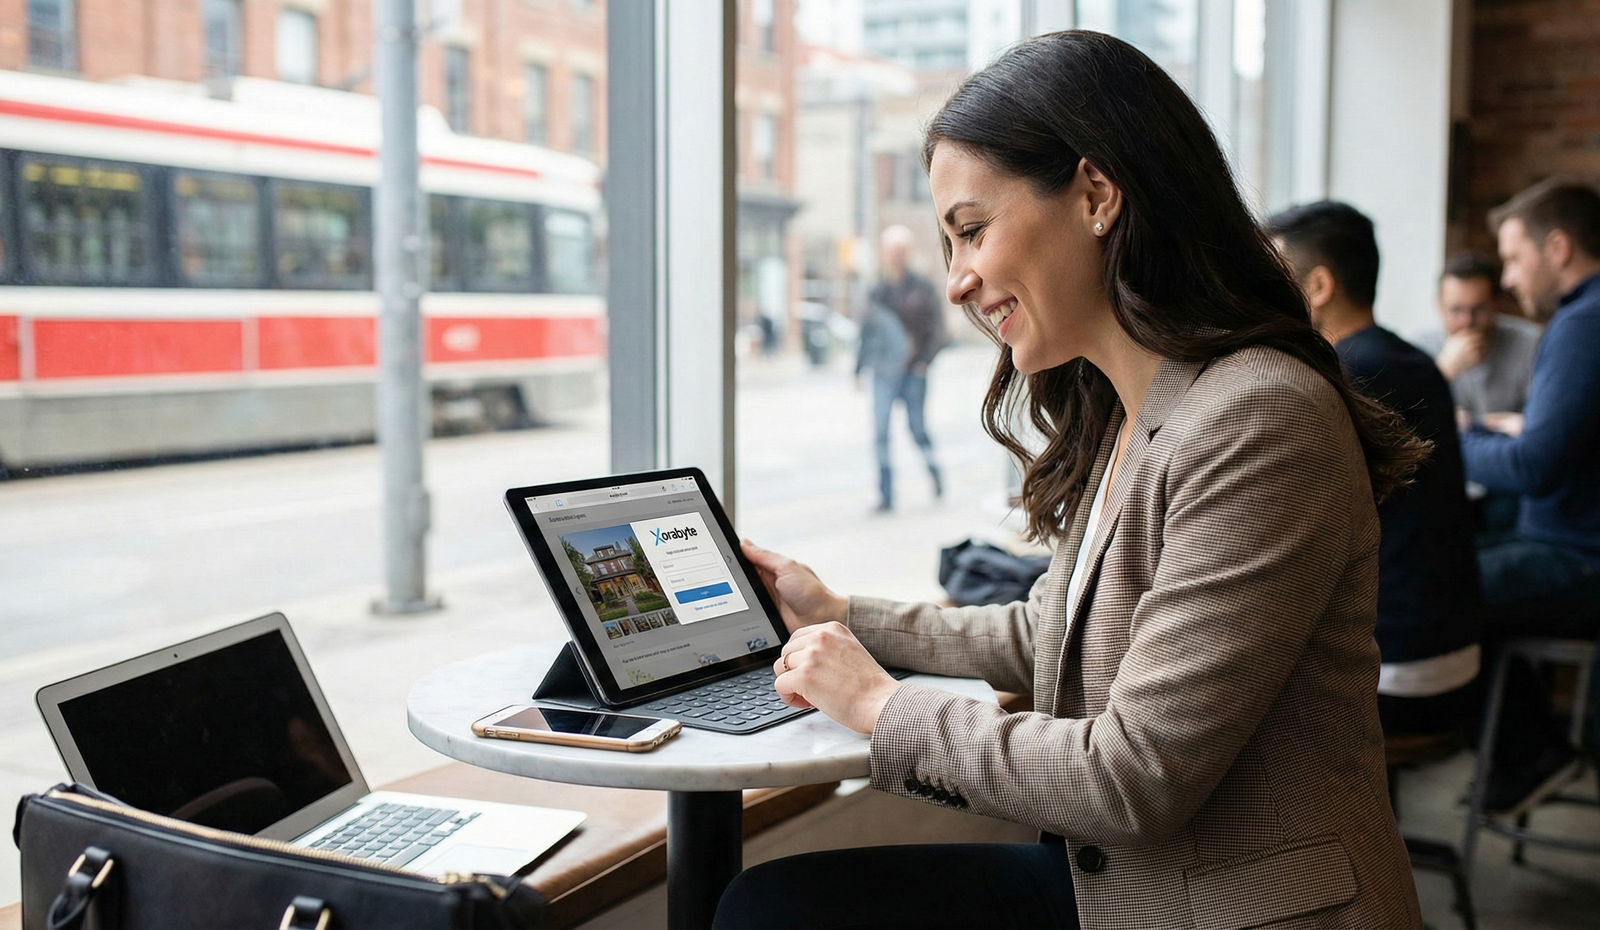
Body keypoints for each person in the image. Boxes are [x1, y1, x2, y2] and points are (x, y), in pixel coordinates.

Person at [716, 31, 1424, 930]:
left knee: (780, 913)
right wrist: (839, 614)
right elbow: (1051, 630)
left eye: (971, 230)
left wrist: (880, 704)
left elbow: (1134, 779)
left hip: (1241, 908)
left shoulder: (1259, 417)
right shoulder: (1132, 409)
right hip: (1137, 887)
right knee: (773, 904)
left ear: (1095, 194)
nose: (958, 283)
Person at [1267, 201, 1481, 737]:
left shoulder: (1345, 375)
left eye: (1273, 273)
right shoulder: (1408, 359)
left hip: (1399, 665)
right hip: (1451, 644)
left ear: (1318, 286)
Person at [1463, 178, 1600, 813]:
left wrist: (1445, 437)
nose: (1511, 280)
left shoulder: (1580, 324)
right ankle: (1526, 754)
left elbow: (1534, 467)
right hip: (1572, 540)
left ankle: (1531, 755)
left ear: (1559, 247)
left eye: (1516, 259)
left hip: (1577, 556)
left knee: (1427, 592)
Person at [855, 224, 948, 512]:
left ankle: (934, 474)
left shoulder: (923, 288)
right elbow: (866, 334)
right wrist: (858, 368)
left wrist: (924, 363)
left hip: (913, 372)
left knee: (917, 429)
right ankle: (886, 495)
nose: (894, 256)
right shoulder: (876, 292)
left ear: (907, 253)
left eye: (899, 250)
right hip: (883, 372)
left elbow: (938, 331)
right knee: (880, 433)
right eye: (889, 250)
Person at [1413, 251, 1543, 421]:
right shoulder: (1419, 349)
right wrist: (1444, 371)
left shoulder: (1531, 344)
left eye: (1478, 309)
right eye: (1456, 310)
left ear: (1497, 304)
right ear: (1440, 307)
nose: (1467, 321)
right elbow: (1404, 414)